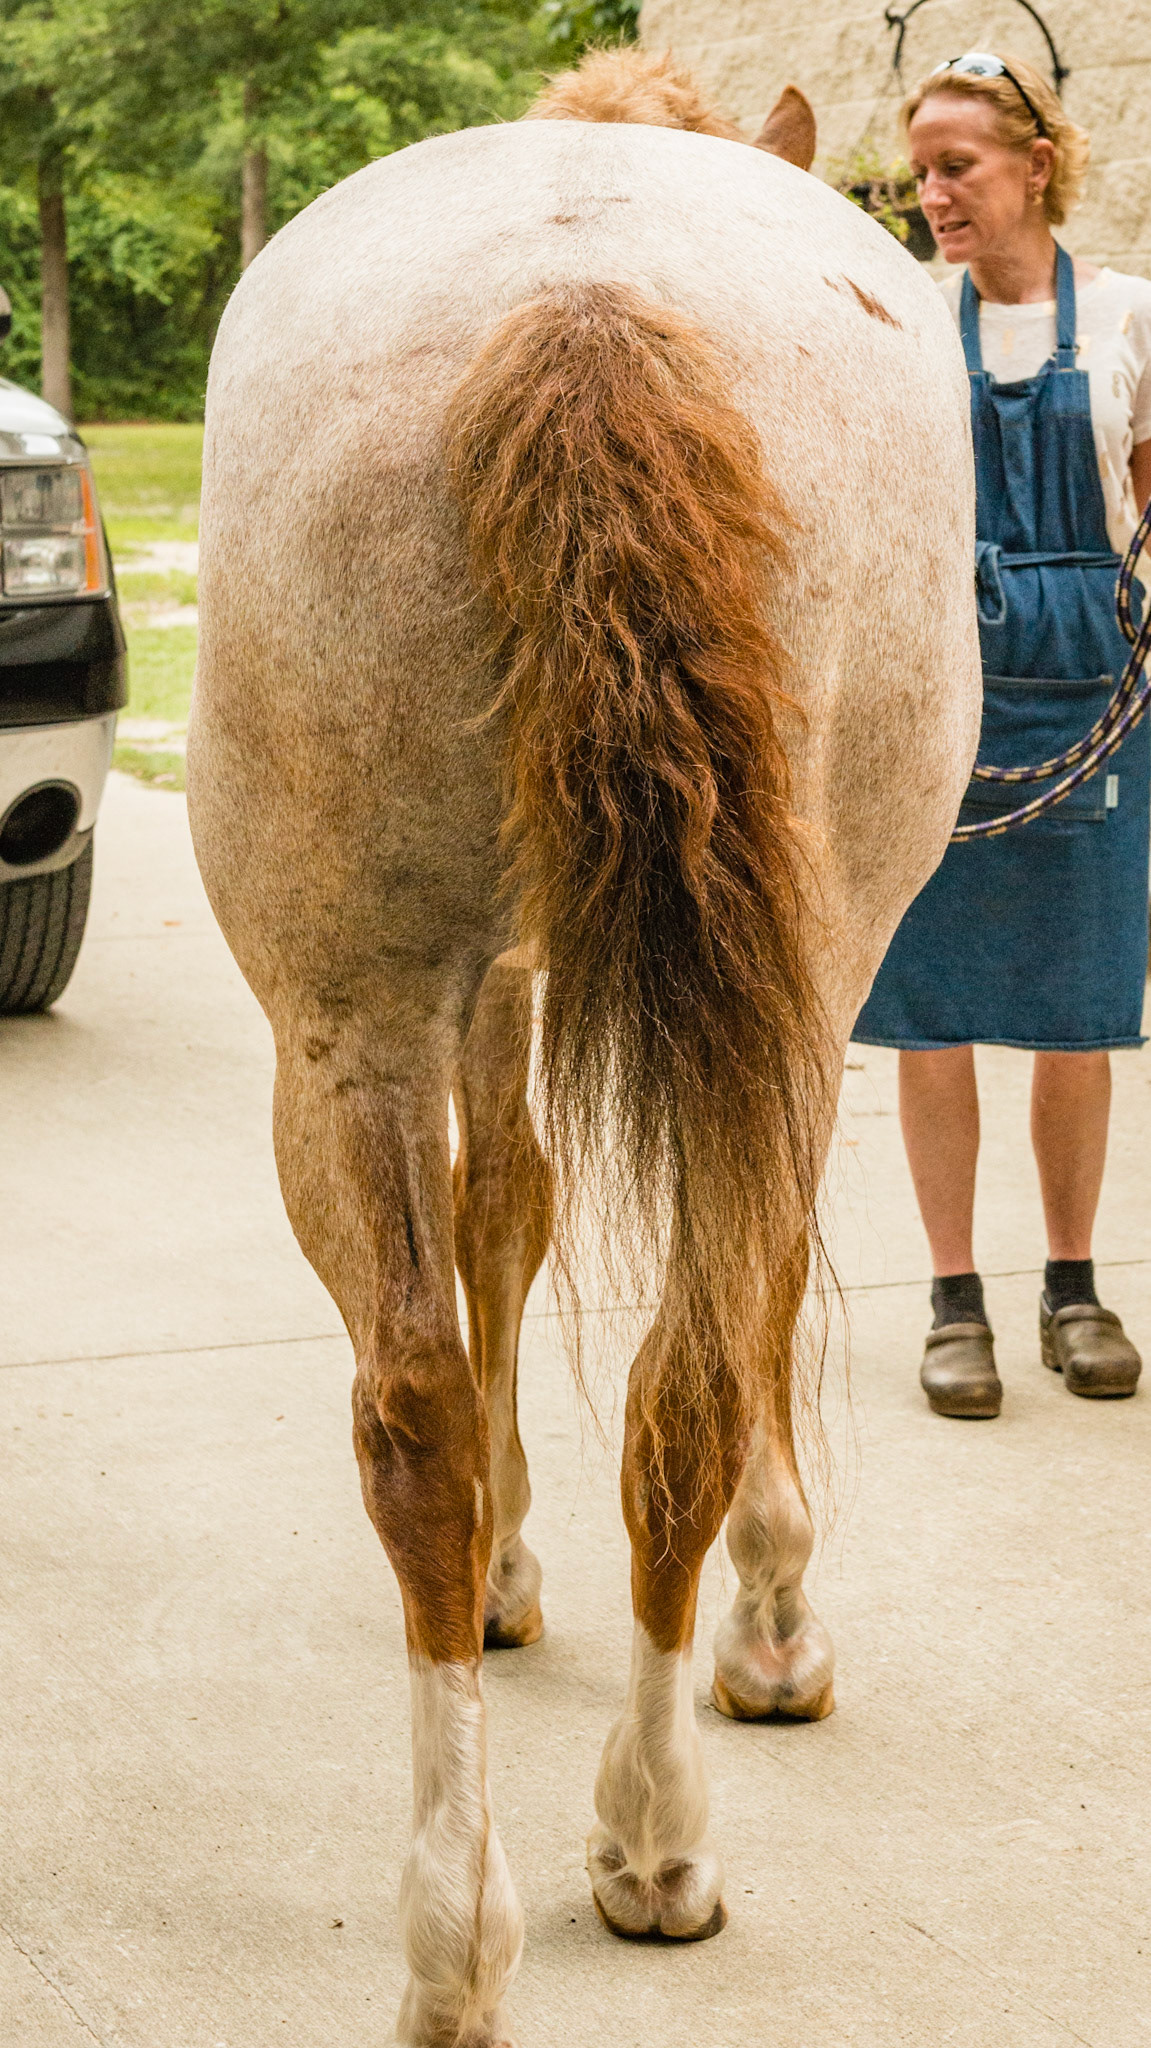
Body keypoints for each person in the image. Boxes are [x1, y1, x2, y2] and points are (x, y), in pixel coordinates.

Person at [853, 51, 1151, 1417]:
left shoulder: (1137, 320)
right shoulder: (908, 321)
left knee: (1076, 1017)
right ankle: (954, 1295)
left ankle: (1075, 1287)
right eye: (921, 173)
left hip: (1095, 701)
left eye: (957, 166)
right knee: (932, 1016)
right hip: (947, 700)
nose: (933, 196)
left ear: (1037, 166)